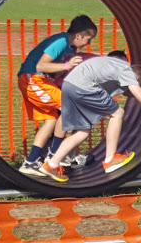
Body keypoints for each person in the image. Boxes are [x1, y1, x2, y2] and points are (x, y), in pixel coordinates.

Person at [39, 55, 141, 182]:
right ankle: (110, 159)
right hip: (84, 85)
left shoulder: (113, 70)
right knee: (118, 113)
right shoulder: (127, 71)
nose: (128, 94)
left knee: (82, 132)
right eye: (132, 89)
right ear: (136, 79)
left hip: (69, 85)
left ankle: (52, 164)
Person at [17, 15, 97, 176]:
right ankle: (54, 155)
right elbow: (41, 65)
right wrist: (67, 65)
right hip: (33, 78)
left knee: (51, 121)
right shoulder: (61, 42)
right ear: (78, 35)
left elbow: (57, 70)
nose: (88, 44)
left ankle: (30, 162)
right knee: (68, 107)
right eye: (88, 39)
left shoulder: (71, 48)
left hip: (40, 80)